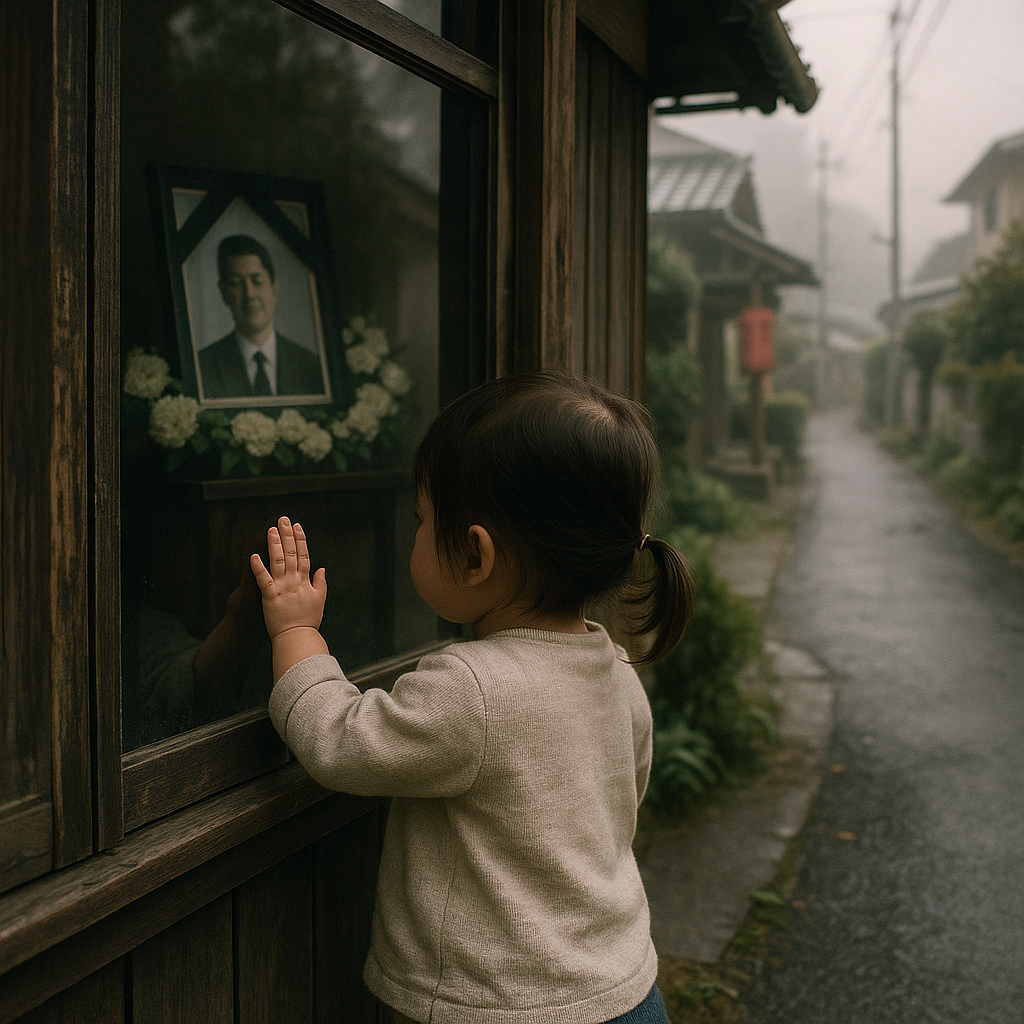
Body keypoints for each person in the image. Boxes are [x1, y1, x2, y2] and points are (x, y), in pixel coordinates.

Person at [250, 371, 697, 1024]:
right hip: (626, 990)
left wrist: (294, 631)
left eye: (423, 520)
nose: (415, 533)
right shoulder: (617, 670)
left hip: (502, 1008)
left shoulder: (472, 689)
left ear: (475, 554)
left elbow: (340, 742)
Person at [198, 234, 325, 400]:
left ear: (274, 288)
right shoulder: (202, 367)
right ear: (223, 292)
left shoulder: (311, 366)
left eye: (257, 281)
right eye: (236, 283)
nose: (249, 295)